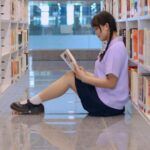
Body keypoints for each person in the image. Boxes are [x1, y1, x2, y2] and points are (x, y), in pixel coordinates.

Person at [10, 11, 129, 116]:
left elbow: (111, 83)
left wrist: (85, 78)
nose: (96, 33)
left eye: (97, 29)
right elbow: (104, 77)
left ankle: (33, 103)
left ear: (107, 26)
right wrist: (85, 74)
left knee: (70, 77)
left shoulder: (115, 48)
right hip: (108, 100)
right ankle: (34, 102)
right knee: (73, 75)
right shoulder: (112, 46)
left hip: (108, 105)